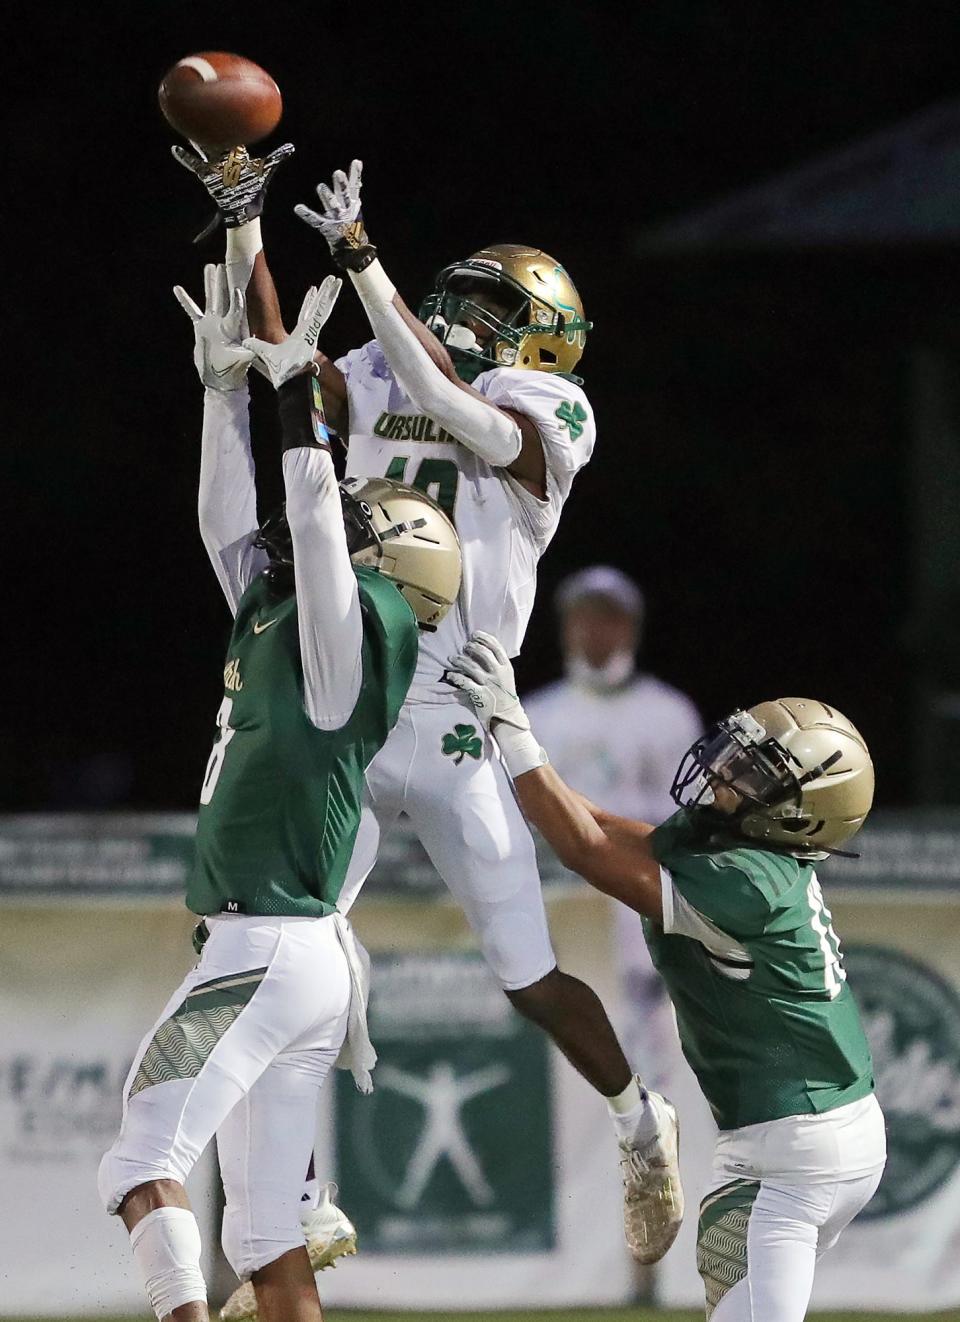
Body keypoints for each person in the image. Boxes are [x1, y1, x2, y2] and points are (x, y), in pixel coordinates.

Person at [173, 146, 685, 1290]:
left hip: (464, 711)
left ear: (546, 334)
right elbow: (282, 359)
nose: (462, 316)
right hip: (356, 694)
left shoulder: (546, 402)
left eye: (492, 306)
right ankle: (298, 1199)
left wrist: (363, 261)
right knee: (291, 935)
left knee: (526, 970)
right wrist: (247, 227)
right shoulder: (374, 360)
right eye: (457, 297)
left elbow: (468, 415)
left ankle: (639, 1116)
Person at [97, 264, 461, 1322]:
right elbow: (231, 528)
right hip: (288, 955)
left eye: (355, 532)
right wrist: (222, 395)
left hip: (268, 945)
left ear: (384, 571)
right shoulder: (286, 630)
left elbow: (307, 508)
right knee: (265, 1236)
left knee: (138, 1157)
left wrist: (297, 385)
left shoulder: (353, 650)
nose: (328, 533)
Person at [446, 633, 885, 1321]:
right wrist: (513, 754)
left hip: (798, 1150)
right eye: (742, 749)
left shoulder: (749, 885)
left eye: (758, 771)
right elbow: (602, 826)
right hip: (797, 1135)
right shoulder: (738, 842)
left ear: (797, 812)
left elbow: (586, 852)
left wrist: (512, 724)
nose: (729, 766)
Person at [524, 565, 702, 1096]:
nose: (595, 631)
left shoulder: (669, 713)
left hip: (639, 898)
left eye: (608, 619)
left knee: (652, 1040)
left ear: (631, 628)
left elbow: (691, 817)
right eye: (583, 618)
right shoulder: (537, 714)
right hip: (558, 901)